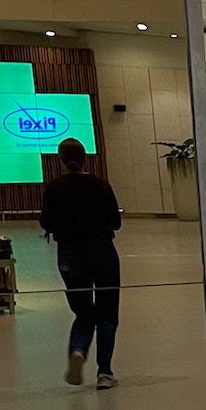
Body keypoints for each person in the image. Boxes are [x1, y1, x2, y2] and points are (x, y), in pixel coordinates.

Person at [39, 137, 122, 389]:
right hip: (102, 252)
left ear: (61, 160)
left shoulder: (55, 187)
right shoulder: (101, 185)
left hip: (71, 256)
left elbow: (47, 223)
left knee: (83, 312)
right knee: (107, 315)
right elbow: (116, 222)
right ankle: (105, 373)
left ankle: (78, 350)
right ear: (86, 158)